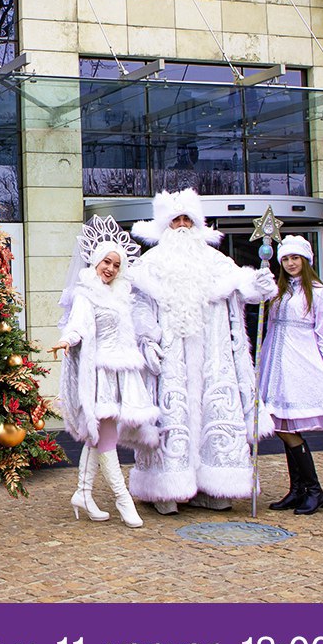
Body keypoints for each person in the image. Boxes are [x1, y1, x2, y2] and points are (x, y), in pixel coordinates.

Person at [128, 188, 278, 513]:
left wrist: (260, 284)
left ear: (197, 225)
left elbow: (245, 288)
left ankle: (212, 486)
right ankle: (165, 489)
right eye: (176, 220)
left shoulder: (216, 261)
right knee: (172, 418)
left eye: (188, 220)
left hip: (213, 356)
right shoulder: (151, 263)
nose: (182, 226)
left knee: (215, 416)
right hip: (171, 358)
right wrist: (147, 338)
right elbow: (138, 304)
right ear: (166, 225)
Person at [53, 216, 159, 527]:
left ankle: (83, 493)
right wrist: (67, 340)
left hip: (120, 374)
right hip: (99, 377)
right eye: (106, 262)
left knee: (97, 437)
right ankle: (123, 500)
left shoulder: (122, 294)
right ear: (96, 262)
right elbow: (79, 324)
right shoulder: (87, 293)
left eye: (115, 264)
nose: (110, 268)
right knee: (106, 438)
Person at [257, 236, 323, 515]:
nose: (290, 263)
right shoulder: (277, 290)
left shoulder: (319, 293)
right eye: (286, 259)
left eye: (295, 258)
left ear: (305, 260)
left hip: (299, 362)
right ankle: (298, 489)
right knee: (281, 426)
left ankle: (314, 490)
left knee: (287, 428)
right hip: (274, 363)